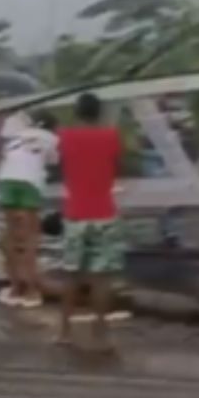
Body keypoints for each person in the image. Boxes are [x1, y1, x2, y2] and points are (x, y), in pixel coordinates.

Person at [57, 92, 123, 350]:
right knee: (101, 278)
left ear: (77, 112)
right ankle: (101, 333)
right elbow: (117, 166)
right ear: (100, 113)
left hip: (75, 214)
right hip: (105, 212)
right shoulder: (111, 136)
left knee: (71, 276)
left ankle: (64, 332)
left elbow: (60, 164)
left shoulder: (65, 136)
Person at [0, 110, 58, 308]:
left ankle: (15, 287)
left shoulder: (18, 135)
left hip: (6, 179)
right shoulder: (53, 139)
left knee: (11, 235)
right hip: (29, 182)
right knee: (31, 237)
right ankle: (31, 290)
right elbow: (53, 162)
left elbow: (6, 154)